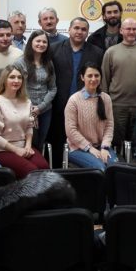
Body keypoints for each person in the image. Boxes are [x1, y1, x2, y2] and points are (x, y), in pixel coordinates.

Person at [48, 17, 104, 167]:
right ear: (69, 29)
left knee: (81, 143)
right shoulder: (54, 49)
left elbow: (99, 79)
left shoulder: (97, 53)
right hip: (59, 105)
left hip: (85, 107)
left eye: (83, 29)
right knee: (58, 143)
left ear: (87, 33)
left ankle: (81, 173)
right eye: (76, 28)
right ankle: (58, 173)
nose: (79, 32)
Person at [0, 65, 49, 178]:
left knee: (44, 167)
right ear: (4, 80)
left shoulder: (27, 102)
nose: (16, 80)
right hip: (1, 149)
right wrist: (16, 150)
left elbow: (29, 126)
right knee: (31, 171)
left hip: (23, 146)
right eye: (12, 77)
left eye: (19, 77)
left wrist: (28, 146)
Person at [101, 17, 136, 147]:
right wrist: (105, 103)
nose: (131, 32)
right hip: (116, 105)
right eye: (128, 29)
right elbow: (104, 79)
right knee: (116, 143)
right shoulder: (111, 52)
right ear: (121, 31)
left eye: (134, 29)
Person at [65, 63, 118, 171]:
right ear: (82, 77)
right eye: (89, 76)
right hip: (78, 148)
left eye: (96, 75)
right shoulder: (74, 100)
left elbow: (109, 126)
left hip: (101, 146)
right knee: (101, 168)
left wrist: (104, 147)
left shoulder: (106, 98)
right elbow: (71, 131)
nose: (93, 79)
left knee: (115, 168)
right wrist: (89, 148)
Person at [14, 30, 57, 149]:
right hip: (25, 110)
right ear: (31, 42)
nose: (41, 44)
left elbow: (53, 88)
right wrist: (31, 109)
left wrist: (40, 107)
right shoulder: (20, 63)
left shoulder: (49, 63)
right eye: (38, 41)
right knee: (28, 143)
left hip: (45, 110)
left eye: (44, 42)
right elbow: (15, 88)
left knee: (40, 143)